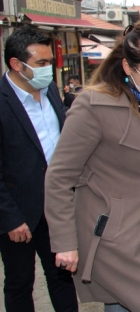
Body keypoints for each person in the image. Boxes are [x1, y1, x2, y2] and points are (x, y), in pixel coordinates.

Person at [44, 22, 140, 312]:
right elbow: (59, 177)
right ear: (128, 67)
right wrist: (65, 242)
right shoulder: (93, 105)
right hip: (114, 239)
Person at [0, 26, 78, 312]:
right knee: (20, 282)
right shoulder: (3, 101)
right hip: (18, 214)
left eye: (50, 63)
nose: (49, 69)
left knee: (62, 276)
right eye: (41, 64)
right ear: (16, 65)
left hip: (57, 207)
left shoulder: (51, 92)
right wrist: (9, 218)